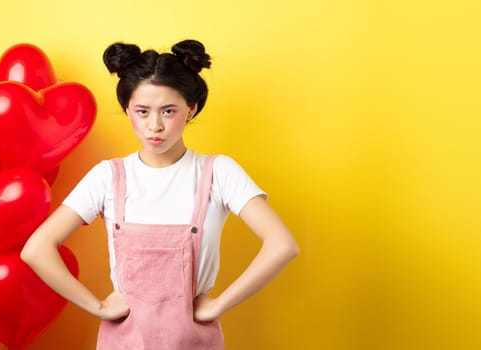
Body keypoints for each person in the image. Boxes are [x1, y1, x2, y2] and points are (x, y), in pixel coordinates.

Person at [21, 39, 299, 349]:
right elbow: (37, 249)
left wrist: (220, 305)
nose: (155, 126)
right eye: (142, 111)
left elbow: (282, 245)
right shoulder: (108, 176)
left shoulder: (219, 172)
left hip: (193, 341)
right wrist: (96, 307)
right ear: (128, 110)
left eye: (169, 111)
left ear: (191, 109)